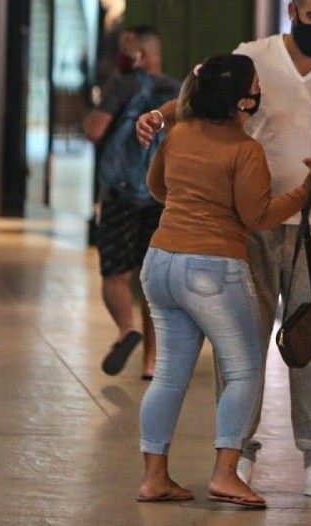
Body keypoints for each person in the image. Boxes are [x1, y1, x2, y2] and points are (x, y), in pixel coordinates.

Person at [136, 0, 311, 501]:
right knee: (241, 354)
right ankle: (236, 455)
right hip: (248, 230)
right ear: (293, 10)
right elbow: (197, 100)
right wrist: (159, 114)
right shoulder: (253, 58)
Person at [136, 54, 311, 509]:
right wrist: (308, 188)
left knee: (168, 374)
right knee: (244, 370)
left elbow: (157, 188)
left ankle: (154, 478)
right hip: (213, 268)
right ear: (243, 102)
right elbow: (257, 217)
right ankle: (225, 473)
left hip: (161, 262)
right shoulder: (245, 151)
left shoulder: (178, 133)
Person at [84, 25, 181, 380]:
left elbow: (95, 130)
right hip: (162, 192)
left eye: (126, 48)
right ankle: (151, 361)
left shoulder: (121, 86)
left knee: (115, 272)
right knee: (153, 279)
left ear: (142, 53)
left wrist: (96, 114)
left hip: (121, 192)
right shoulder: (178, 91)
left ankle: (127, 329)